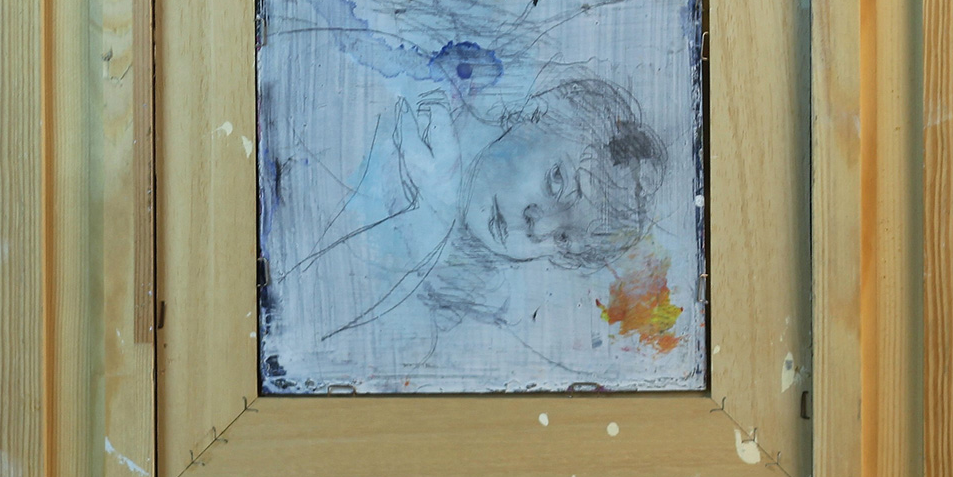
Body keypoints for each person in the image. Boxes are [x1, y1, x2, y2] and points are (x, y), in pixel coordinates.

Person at [273, 68, 667, 346]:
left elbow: (320, 333)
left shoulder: (470, 297)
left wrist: (433, 213)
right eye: (557, 181)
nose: (539, 228)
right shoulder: (414, 104)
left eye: (563, 239)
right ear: (536, 113)